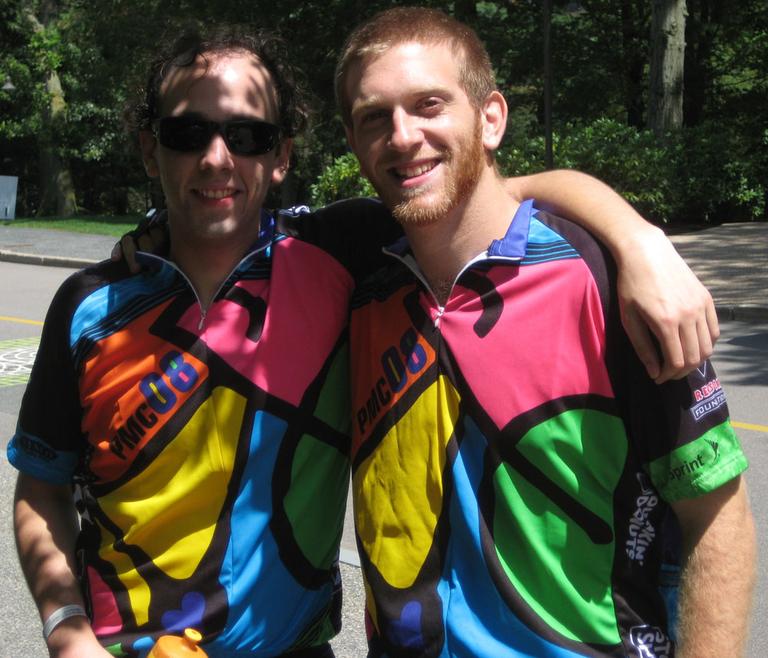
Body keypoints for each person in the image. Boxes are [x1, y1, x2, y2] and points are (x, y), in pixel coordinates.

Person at [7, 21, 729, 658]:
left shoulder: (341, 256)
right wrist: (66, 628)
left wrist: (640, 240)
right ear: (148, 146)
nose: (218, 158)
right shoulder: (91, 306)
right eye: (187, 134)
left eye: (249, 135)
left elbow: (481, 187)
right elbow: (40, 484)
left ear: (282, 155)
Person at [335, 7, 756, 658]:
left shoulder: (605, 280)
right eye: (374, 117)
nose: (403, 136)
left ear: (491, 117)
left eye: (429, 105)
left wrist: (637, 239)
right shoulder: (357, 286)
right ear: (354, 140)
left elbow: (717, 514)